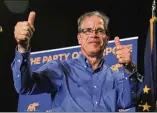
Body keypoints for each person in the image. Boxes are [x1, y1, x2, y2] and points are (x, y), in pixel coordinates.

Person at [11, 11, 143, 112]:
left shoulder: (117, 76)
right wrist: (23, 47)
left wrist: (130, 68)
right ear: (79, 38)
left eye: (100, 30)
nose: (94, 35)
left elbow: (129, 101)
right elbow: (25, 86)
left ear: (107, 39)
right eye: (88, 30)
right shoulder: (61, 68)